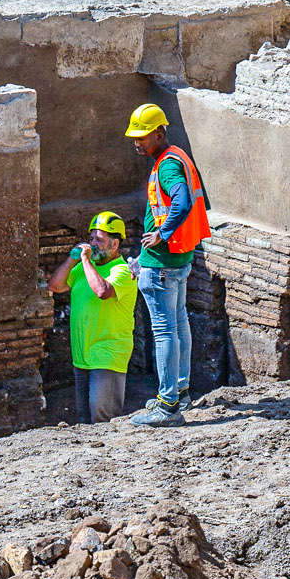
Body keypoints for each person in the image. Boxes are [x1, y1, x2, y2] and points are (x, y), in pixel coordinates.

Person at [124, 103, 209, 427]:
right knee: (178, 323)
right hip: (179, 257)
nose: (137, 143)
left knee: (164, 332)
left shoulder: (168, 165)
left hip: (162, 262)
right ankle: (181, 390)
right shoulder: (176, 155)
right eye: (135, 137)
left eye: (143, 137)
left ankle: (168, 404)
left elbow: (183, 200)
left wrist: (161, 233)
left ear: (160, 132)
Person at [46, 211, 138, 423]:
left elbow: (102, 291)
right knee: (84, 421)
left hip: (107, 355)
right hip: (83, 354)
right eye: (91, 238)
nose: (92, 244)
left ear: (115, 245)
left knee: (104, 419)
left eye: (99, 240)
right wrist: (72, 259)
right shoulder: (82, 268)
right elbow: (55, 286)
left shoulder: (123, 271)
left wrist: (86, 261)